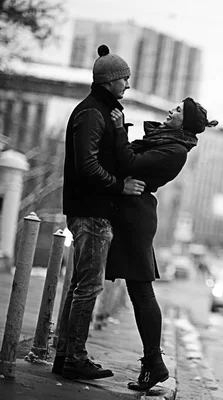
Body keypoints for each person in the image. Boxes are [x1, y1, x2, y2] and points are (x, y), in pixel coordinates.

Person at [106, 97, 218, 391]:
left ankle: (154, 363)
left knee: (142, 292)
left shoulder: (175, 151)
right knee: (138, 290)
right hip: (130, 214)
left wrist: (119, 131)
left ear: (186, 123)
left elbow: (130, 162)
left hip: (136, 219)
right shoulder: (165, 141)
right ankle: (153, 363)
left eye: (179, 110)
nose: (172, 110)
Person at [52, 45, 146, 380]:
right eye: (125, 80)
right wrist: (120, 187)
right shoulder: (93, 112)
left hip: (91, 209)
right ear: (110, 80)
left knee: (81, 285)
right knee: (89, 287)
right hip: (91, 212)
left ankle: (66, 355)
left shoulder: (101, 111)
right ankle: (75, 357)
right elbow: (87, 166)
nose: (127, 86)